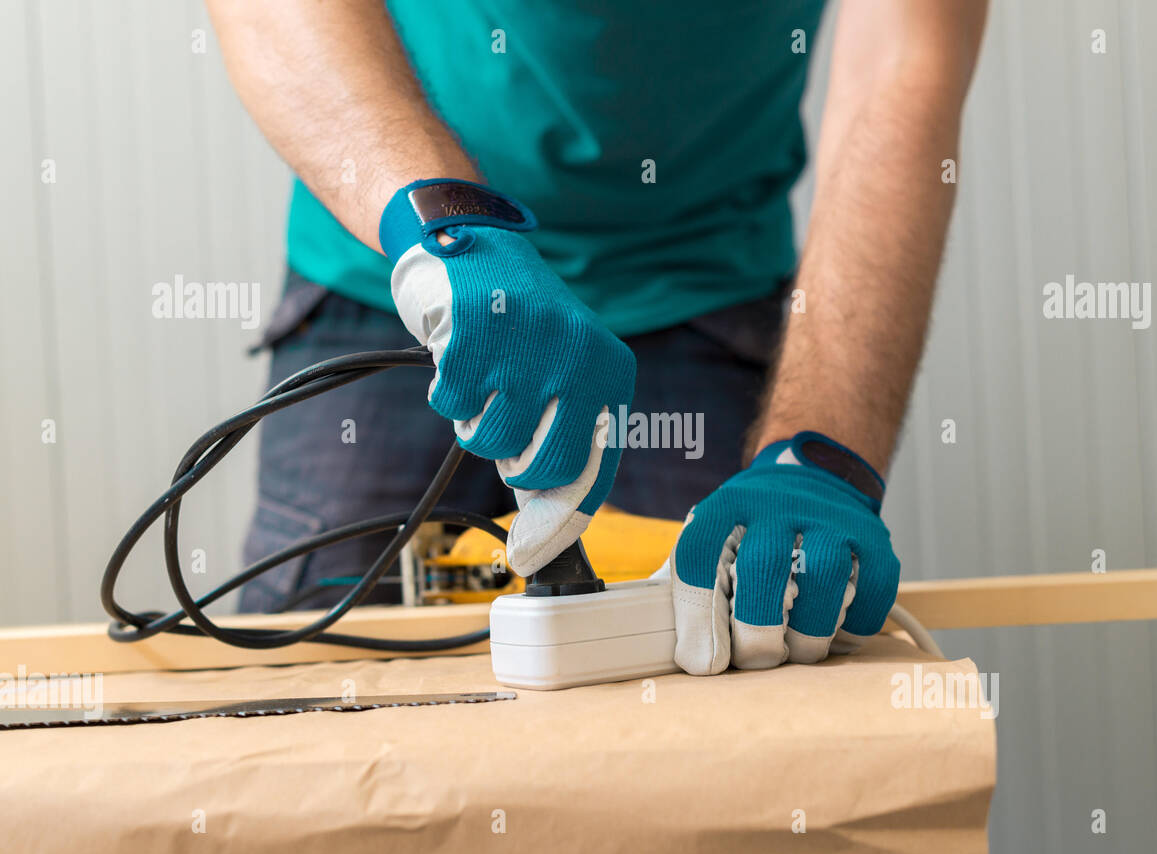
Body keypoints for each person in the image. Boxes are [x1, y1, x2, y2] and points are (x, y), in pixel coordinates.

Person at [208, 0, 987, 674]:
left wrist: (824, 452)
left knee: (724, 703)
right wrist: (442, 225)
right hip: (391, 261)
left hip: (697, 286)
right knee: (310, 705)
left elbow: (904, 63)